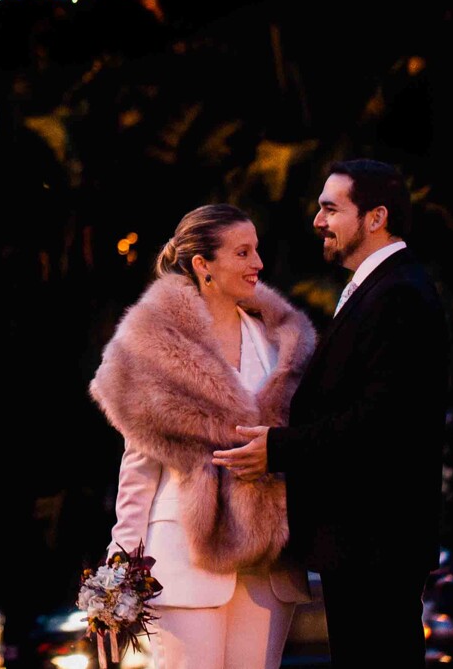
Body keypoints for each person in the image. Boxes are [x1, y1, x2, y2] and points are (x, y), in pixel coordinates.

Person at [212, 159, 450, 669]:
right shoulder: (378, 290)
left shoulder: (400, 295)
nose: (317, 221)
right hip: (363, 542)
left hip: (377, 542)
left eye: (330, 208)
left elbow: (381, 424)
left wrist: (276, 448)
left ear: (375, 217)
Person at [89, 205, 316, 668]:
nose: (258, 264)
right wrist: (120, 566)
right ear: (203, 264)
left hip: (267, 562)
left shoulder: (279, 340)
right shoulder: (153, 345)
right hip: (186, 554)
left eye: (257, 250)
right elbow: (138, 464)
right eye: (243, 252)